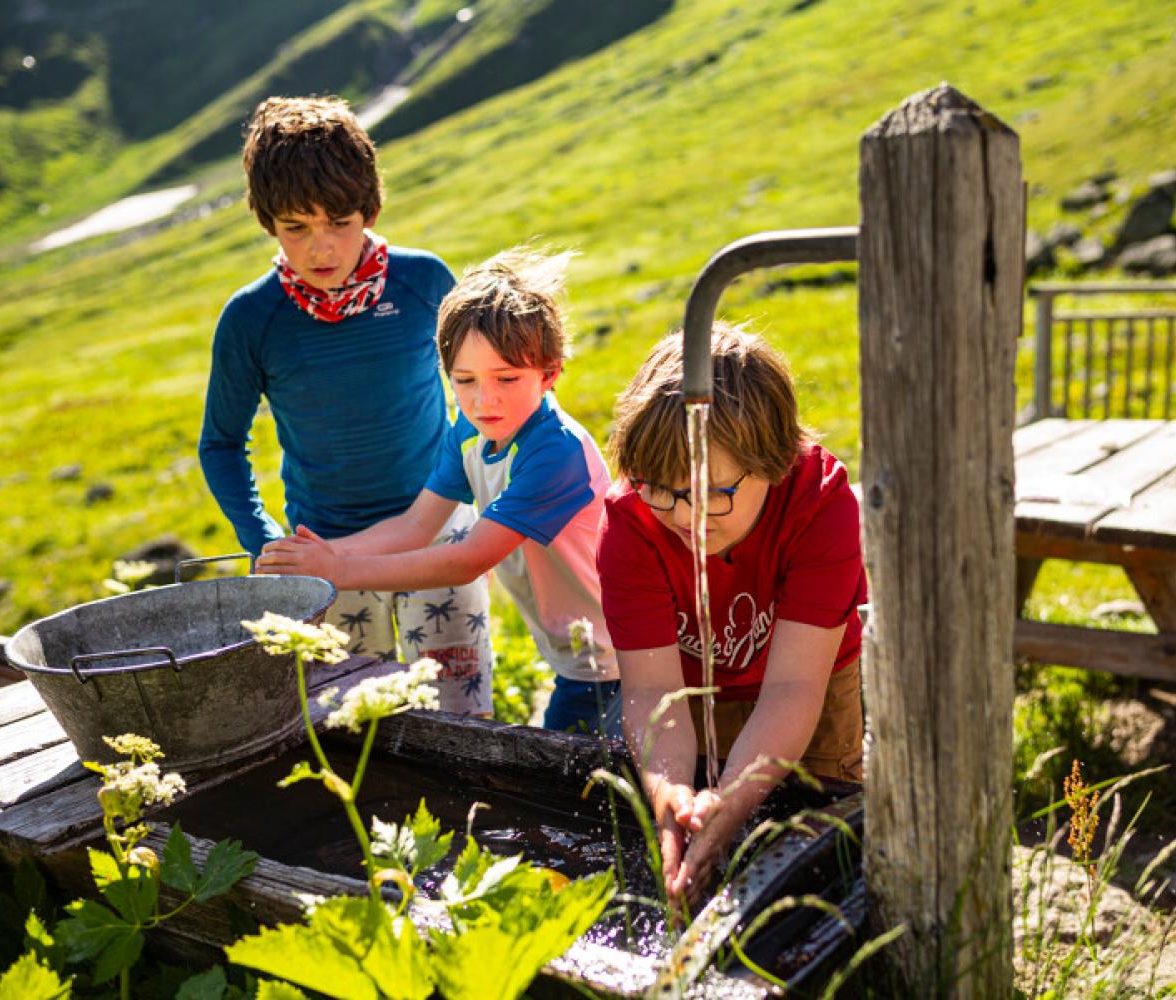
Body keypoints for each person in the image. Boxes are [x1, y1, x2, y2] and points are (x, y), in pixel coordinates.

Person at [198, 96, 493, 716]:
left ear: (371, 208)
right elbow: (222, 445)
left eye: (339, 221)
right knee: (351, 727)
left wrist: (447, 493)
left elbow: (477, 396)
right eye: (295, 228)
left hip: (436, 537)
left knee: (461, 720)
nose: (321, 248)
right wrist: (266, 545)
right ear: (267, 222)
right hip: (321, 550)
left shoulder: (426, 281)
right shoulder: (252, 319)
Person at [256, 249, 620, 735]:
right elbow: (416, 525)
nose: (483, 399)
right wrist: (314, 556)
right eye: (464, 380)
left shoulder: (556, 452)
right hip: (571, 654)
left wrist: (338, 570)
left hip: (616, 655)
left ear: (549, 374)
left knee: (590, 790)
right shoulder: (470, 433)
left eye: (507, 379)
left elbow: (467, 559)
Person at [597, 323, 866, 905]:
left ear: (772, 460)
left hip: (813, 689)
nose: (684, 516)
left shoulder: (821, 506)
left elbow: (795, 685)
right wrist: (669, 791)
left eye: (712, 492)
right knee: (704, 832)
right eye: (661, 490)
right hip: (693, 696)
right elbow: (650, 690)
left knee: (825, 833)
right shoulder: (631, 523)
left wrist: (739, 792)